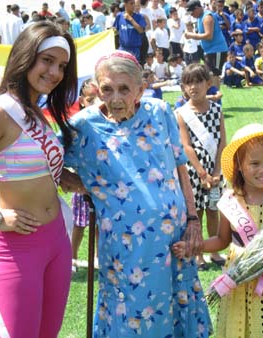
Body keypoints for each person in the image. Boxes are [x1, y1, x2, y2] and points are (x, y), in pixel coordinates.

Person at [61, 50, 212, 337]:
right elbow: (49, 161)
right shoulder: (84, 126)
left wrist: (193, 220)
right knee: (131, 311)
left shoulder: (160, 112)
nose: (115, 98)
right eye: (107, 89)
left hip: (174, 237)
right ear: (96, 88)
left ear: (140, 89)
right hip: (125, 246)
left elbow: (181, 167)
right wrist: (92, 185)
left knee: (173, 308)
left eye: (124, 89)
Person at [0, 21, 77, 337]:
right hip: (16, 248)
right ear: (26, 55)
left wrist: (69, 178)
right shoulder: (2, 111)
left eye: (61, 65)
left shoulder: (35, 108)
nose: (55, 72)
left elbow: (33, 167)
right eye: (47, 60)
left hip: (57, 240)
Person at [172, 123, 263, 338]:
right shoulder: (231, 201)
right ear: (239, 164)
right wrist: (194, 247)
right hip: (242, 281)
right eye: (255, 163)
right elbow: (222, 240)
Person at [175, 63, 226, 270]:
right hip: (194, 172)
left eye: (198, 82)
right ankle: (198, 253)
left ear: (208, 84)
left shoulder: (217, 109)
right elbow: (186, 146)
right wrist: (203, 173)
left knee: (214, 210)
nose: (193, 87)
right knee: (196, 212)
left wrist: (215, 172)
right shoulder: (181, 113)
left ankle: (213, 250)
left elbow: (222, 141)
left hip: (215, 169)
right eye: (188, 83)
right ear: (183, 88)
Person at [71, 78, 99, 273]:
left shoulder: (104, 123)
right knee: (78, 225)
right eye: (90, 100)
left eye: (97, 99)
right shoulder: (76, 125)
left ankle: (100, 256)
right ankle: (71, 257)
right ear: (81, 100)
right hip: (81, 184)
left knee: (100, 224)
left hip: (100, 185)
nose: (94, 104)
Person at [185, 0, 228, 88]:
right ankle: (212, 97)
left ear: (197, 8)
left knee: (213, 75)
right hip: (210, 50)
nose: (191, 15)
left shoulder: (207, 17)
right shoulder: (200, 17)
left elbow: (209, 36)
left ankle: (216, 99)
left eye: (192, 12)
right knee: (208, 75)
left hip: (217, 50)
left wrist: (191, 35)